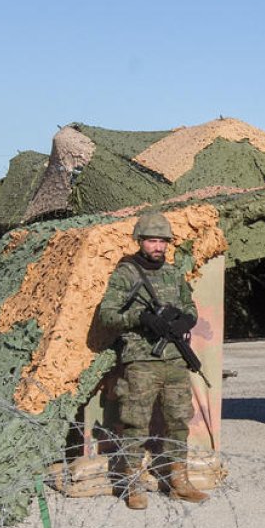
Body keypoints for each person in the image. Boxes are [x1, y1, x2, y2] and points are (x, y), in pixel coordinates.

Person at [97, 211, 209, 509]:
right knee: (135, 423)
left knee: (178, 421)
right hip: (141, 361)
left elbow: (190, 308)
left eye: (162, 241)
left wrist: (184, 321)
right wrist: (141, 318)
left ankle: (179, 481)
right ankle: (133, 484)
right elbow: (107, 314)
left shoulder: (174, 274)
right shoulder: (126, 274)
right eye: (152, 241)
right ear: (140, 241)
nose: (158, 247)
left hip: (175, 361)